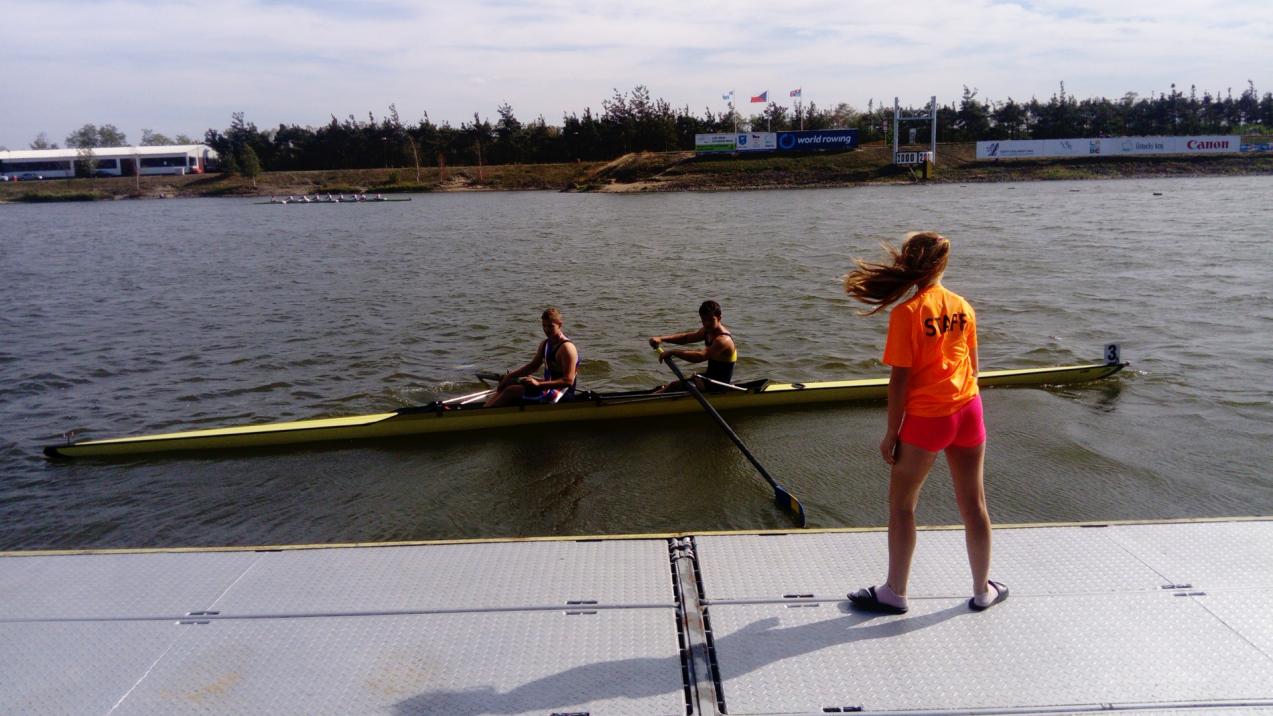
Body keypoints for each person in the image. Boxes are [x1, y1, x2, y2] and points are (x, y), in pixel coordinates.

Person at [842, 231, 1007, 614]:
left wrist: (891, 432)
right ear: (942, 264)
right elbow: (974, 368)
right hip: (968, 410)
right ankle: (983, 591)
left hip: (927, 419)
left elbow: (900, 380)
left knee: (902, 506)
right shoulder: (963, 306)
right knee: (974, 504)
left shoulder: (907, 313)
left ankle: (895, 592)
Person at [484, 307, 580, 407]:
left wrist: (538, 384)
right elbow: (532, 366)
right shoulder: (545, 344)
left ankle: (486, 413)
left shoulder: (567, 348)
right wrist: (509, 376)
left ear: (560, 325)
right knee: (507, 384)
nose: (546, 330)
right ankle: (485, 410)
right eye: (544, 326)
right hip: (548, 388)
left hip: (561, 395)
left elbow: (568, 381)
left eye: (550, 326)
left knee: (511, 390)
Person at [648, 300, 737, 393]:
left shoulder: (723, 340)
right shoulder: (707, 331)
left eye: (711, 320)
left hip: (718, 386)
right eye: (704, 320)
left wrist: (673, 352)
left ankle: (651, 399)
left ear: (719, 318)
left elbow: (700, 357)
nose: (707, 323)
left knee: (674, 386)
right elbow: (686, 338)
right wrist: (661, 339)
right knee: (667, 387)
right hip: (709, 378)